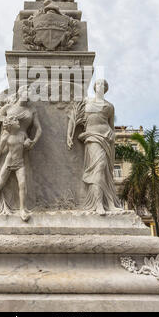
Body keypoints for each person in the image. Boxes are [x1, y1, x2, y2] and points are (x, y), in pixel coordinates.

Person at [67, 79, 122, 215]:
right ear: (94, 87)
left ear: (106, 89)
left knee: (105, 171)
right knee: (98, 167)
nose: (100, 86)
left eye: (103, 85)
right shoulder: (87, 102)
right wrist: (69, 135)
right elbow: (73, 118)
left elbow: (111, 126)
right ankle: (98, 204)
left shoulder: (109, 106)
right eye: (98, 84)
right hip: (92, 137)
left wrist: (112, 137)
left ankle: (108, 203)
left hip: (105, 137)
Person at [0, 116, 31, 222]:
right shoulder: (6, 137)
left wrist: (28, 142)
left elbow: (28, 142)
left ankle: (22, 209)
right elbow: (0, 151)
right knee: (0, 184)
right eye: (15, 120)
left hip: (20, 163)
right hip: (8, 162)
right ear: (10, 125)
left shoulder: (22, 134)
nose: (18, 121)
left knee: (22, 184)